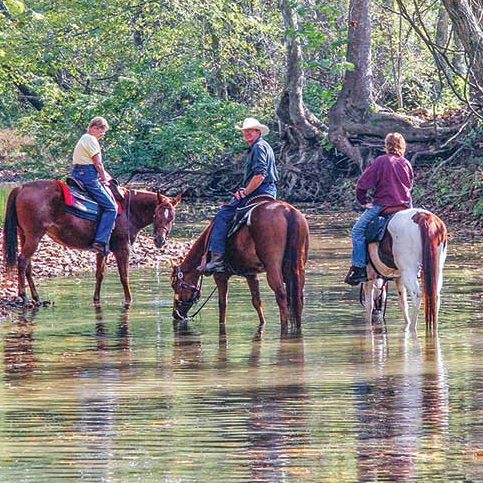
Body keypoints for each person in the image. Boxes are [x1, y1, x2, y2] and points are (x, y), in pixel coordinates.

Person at [203, 117, 279, 274]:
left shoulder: (258, 147)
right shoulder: (264, 146)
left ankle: (217, 259)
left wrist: (245, 192)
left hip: (259, 190)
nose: (247, 134)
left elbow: (260, 175)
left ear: (258, 132)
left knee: (223, 214)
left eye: (250, 131)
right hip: (270, 190)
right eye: (245, 131)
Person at [345, 132, 414, 285]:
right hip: (405, 205)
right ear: (402, 146)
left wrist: (363, 201)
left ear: (386, 145)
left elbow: (362, 185)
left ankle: (359, 268)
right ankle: (418, 265)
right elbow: (410, 186)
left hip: (384, 205)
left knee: (357, 231)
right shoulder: (406, 163)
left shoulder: (381, 161)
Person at [71, 116, 117, 256]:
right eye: (102, 131)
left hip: (78, 172)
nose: (103, 134)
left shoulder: (83, 138)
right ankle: (100, 241)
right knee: (111, 207)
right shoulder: (91, 140)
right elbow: (98, 164)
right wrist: (104, 179)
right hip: (88, 175)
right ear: (95, 128)